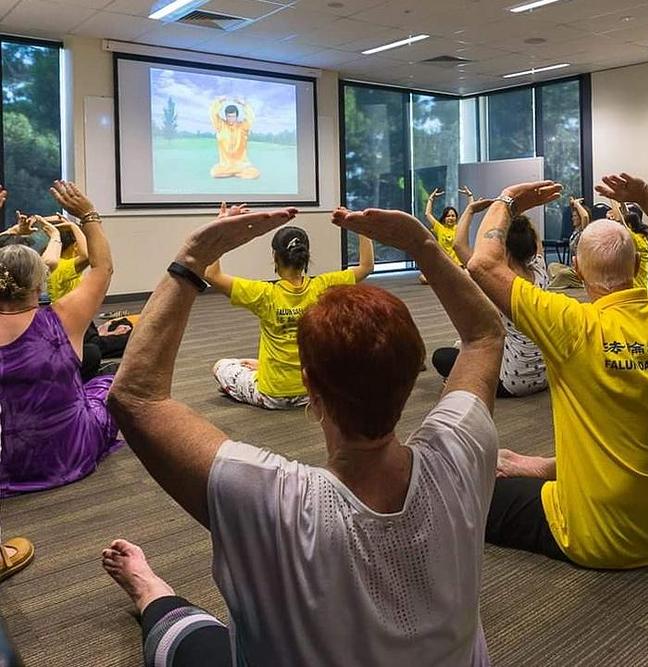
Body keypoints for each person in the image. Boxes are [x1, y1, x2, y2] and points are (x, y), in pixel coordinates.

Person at [103, 199, 506, 666]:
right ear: (415, 372)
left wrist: (192, 257)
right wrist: (423, 246)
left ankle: (150, 589)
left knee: (185, 633)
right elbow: (484, 336)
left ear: (311, 386)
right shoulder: (462, 453)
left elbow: (135, 397)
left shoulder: (270, 500)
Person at [466, 173, 648, 569]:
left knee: (461, 489)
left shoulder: (572, 325)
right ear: (637, 264)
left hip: (596, 537)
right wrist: (646, 196)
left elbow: (482, 262)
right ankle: (544, 467)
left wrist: (506, 200)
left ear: (577, 270)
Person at [0, 181, 121, 497]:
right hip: (68, 454)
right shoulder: (62, 319)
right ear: (40, 283)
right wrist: (88, 214)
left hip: (5, 463)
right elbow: (103, 268)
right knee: (111, 382)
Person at [204, 207, 374, 409]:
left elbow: (211, 274)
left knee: (222, 366)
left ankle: (260, 372)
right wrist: (361, 227)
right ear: (306, 257)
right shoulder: (323, 286)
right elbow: (366, 267)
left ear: (275, 257)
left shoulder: (264, 294)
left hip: (273, 395)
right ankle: (262, 365)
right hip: (311, 392)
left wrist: (219, 227)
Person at [432, 189, 548, 397]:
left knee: (442, 357)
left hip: (511, 382)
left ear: (502, 248)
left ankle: (463, 383)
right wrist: (520, 214)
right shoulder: (541, 272)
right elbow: (535, 241)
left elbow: (458, 245)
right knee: (464, 343)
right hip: (546, 376)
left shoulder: (495, 280)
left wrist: (470, 210)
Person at [418, 187, 462, 284]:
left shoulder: (459, 228)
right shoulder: (439, 228)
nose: (451, 218)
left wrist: (470, 196)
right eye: (448, 216)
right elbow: (428, 214)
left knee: (468, 274)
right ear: (444, 218)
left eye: (453, 216)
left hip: (457, 265)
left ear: (456, 218)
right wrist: (431, 199)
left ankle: (448, 278)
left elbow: (470, 213)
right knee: (423, 278)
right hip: (443, 264)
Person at [209, 98, 259, 179]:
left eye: (233, 116)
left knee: (255, 173)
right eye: (229, 116)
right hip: (225, 165)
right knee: (214, 172)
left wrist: (244, 104)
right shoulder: (220, 126)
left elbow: (251, 117)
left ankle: (233, 173)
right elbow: (213, 114)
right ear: (226, 116)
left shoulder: (243, 127)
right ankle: (236, 173)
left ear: (236, 116)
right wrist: (218, 101)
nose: (231, 119)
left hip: (241, 165)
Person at [548, 197, 590, 289]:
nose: (572, 218)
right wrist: (573, 205)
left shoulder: (584, 232)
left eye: (575, 216)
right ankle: (561, 282)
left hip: (580, 273)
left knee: (563, 274)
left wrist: (577, 204)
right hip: (571, 268)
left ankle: (551, 286)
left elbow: (585, 216)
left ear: (580, 218)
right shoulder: (576, 231)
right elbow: (577, 213)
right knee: (552, 266)